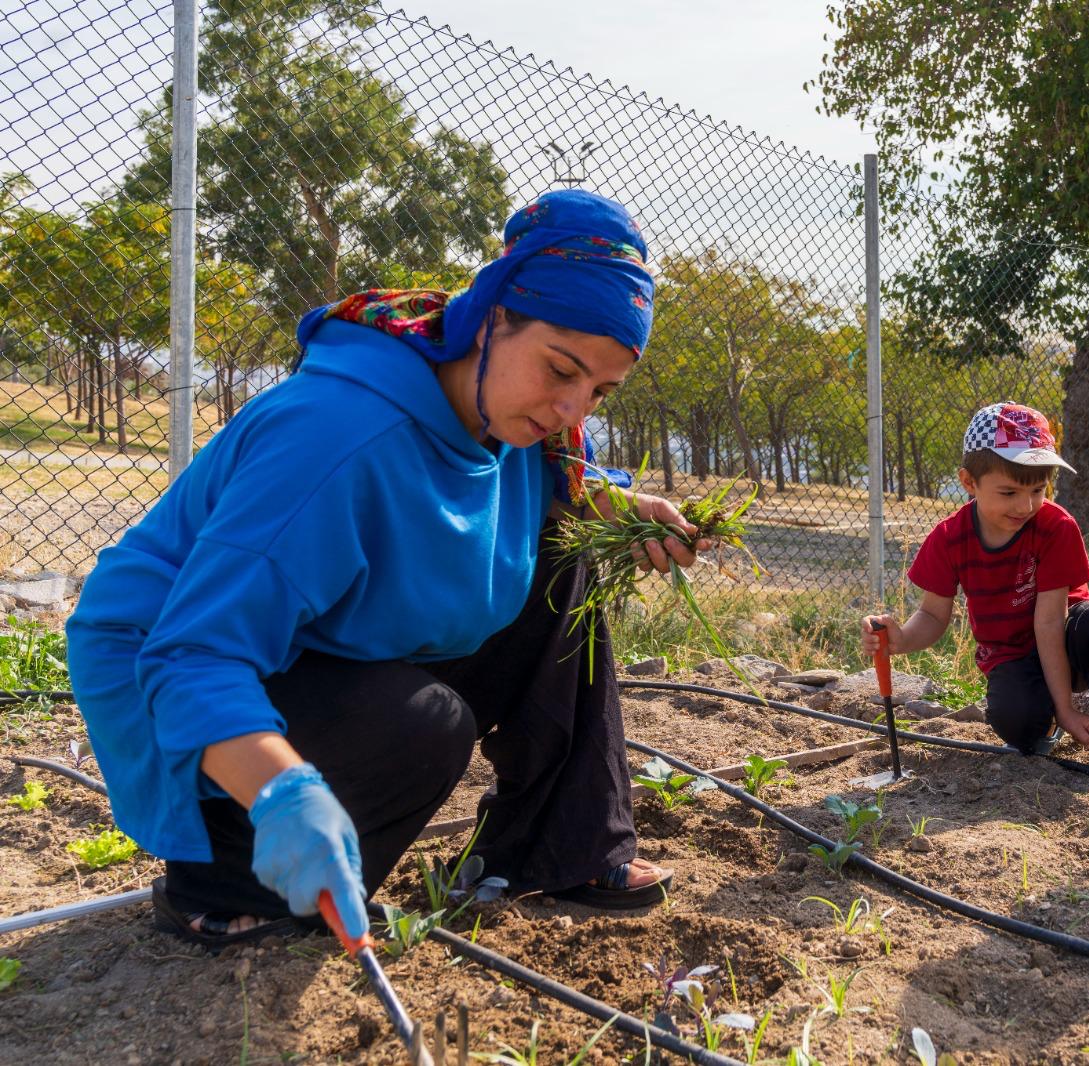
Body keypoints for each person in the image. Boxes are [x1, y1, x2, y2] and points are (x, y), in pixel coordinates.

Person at [65, 190, 701, 949]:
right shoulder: (336, 438)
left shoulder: (514, 423)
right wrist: (284, 794)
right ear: (493, 317)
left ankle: (555, 847)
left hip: (311, 640)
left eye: (598, 390)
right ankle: (225, 879)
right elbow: (190, 655)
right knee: (422, 727)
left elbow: (524, 491)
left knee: (562, 565)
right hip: (172, 665)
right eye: (561, 368)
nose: (571, 411)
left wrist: (615, 509)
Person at [860, 402, 1089, 774]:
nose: (1025, 505)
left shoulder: (1056, 526)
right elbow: (932, 614)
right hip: (1010, 653)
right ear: (969, 482)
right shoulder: (949, 538)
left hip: (1068, 639)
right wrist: (902, 640)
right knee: (1019, 727)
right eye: (1008, 492)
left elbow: (1049, 623)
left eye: (1038, 489)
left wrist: (1067, 707)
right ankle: (1046, 721)